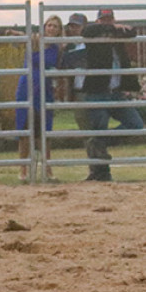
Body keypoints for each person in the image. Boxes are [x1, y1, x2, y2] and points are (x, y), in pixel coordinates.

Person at [80, 8, 144, 182]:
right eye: (103, 19)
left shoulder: (117, 38)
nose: (107, 22)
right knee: (98, 128)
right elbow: (86, 30)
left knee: (135, 124)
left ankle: (99, 144)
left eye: (110, 19)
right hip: (97, 92)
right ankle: (101, 174)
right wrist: (113, 29)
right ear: (98, 20)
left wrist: (115, 29)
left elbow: (133, 31)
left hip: (115, 93)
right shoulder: (94, 36)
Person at [10, 15, 63, 180]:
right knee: (25, 132)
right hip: (27, 87)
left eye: (55, 26)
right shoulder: (34, 41)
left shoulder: (58, 47)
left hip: (45, 90)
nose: (51, 29)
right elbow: (18, 39)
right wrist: (15, 33)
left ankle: (47, 170)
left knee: (44, 133)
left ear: (59, 30)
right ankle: (23, 171)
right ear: (44, 27)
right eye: (49, 25)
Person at [57, 13, 88, 102]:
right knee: (80, 115)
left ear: (84, 26)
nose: (74, 29)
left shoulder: (91, 43)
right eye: (72, 26)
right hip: (77, 89)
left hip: (92, 89)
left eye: (77, 26)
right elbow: (62, 68)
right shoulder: (68, 46)